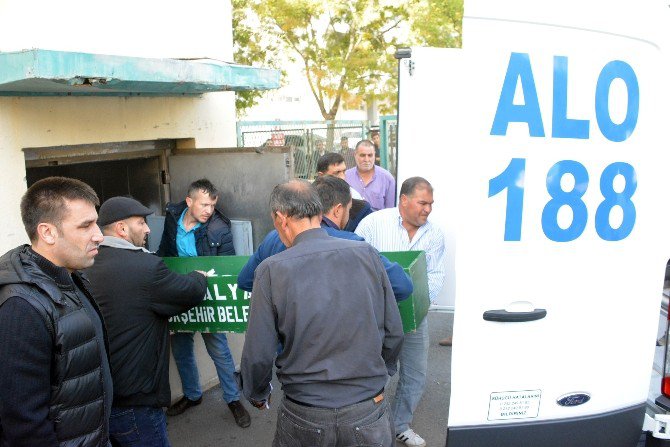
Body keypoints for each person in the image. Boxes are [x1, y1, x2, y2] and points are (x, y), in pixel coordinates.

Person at [240, 179, 404, 446]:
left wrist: (258, 393)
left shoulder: (271, 270)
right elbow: (393, 329)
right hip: (367, 406)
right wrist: (382, 369)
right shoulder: (366, 254)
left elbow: (258, 352)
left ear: (281, 218)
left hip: (305, 411)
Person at [85, 196, 208, 446]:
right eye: (141, 222)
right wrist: (199, 277)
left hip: (98, 398)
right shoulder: (146, 267)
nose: (148, 229)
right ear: (121, 228)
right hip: (136, 402)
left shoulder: (86, 264)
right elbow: (188, 291)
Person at [0, 176, 112, 446]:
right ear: (47, 232)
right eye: (86, 226)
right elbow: (25, 423)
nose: (99, 234)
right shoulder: (21, 306)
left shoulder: (70, 277)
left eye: (95, 222)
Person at [355, 176, 446, 447]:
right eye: (422, 203)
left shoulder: (434, 234)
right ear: (403, 201)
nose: (428, 209)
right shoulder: (373, 223)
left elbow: (436, 274)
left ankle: (400, 424)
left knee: (415, 372)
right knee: (375, 371)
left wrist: (418, 306)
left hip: (416, 316)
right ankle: (366, 425)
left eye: (431, 204)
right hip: (376, 316)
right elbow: (354, 264)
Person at [157, 178, 251, 428]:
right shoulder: (172, 217)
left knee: (218, 349)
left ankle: (233, 399)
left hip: (207, 294)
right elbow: (164, 253)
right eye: (204, 205)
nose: (209, 211)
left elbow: (226, 267)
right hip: (178, 292)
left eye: (212, 205)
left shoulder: (219, 228)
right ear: (189, 202)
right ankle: (192, 395)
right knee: (181, 347)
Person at [237, 175, 412, 303]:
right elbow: (402, 286)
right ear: (337, 210)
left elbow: (245, 280)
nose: (349, 215)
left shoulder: (272, 239)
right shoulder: (353, 244)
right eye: (348, 209)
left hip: (286, 344)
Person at [316, 152, 372, 231]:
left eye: (344, 171)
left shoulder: (356, 199)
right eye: (337, 173)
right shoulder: (308, 198)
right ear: (321, 175)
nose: (342, 177)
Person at [345, 139, 396, 211]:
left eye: (370, 155)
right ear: (355, 155)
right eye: (362, 155)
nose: (366, 159)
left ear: (375, 155)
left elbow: (390, 211)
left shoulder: (387, 179)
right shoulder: (346, 177)